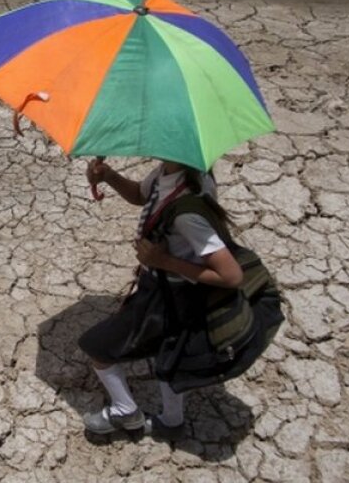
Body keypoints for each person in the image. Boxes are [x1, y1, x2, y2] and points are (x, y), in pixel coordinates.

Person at [77, 157, 244, 435]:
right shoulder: (177, 173)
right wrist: (108, 176)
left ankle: (125, 410)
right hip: (172, 290)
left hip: (167, 294)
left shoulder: (187, 214)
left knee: (97, 347)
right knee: (168, 353)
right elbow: (141, 195)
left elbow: (231, 276)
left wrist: (163, 261)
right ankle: (172, 421)